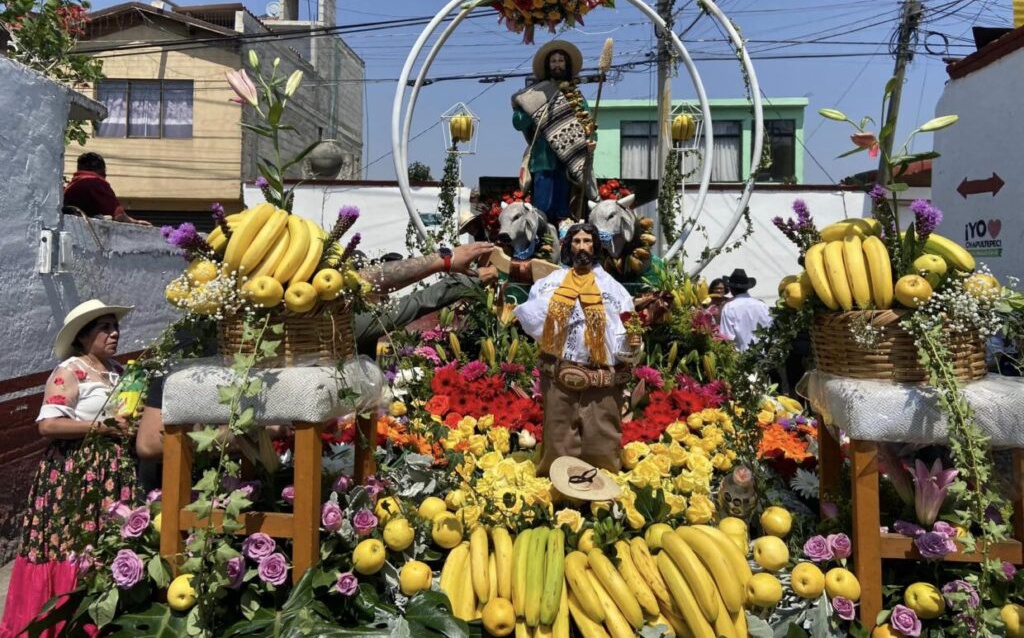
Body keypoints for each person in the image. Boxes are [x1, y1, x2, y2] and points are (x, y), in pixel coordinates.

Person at [135, 242, 498, 488]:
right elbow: (151, 444)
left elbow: (362, 286)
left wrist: (446, 263)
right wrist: (256, 434)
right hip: (191, 499)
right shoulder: (192, 340)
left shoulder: (298, 327)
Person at [1, 300, 137, 638]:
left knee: (104, 545)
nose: (114, 333)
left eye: (114, 326)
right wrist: (102, 427)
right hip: (75, 477)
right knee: (71, 547)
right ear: (82, 336)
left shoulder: (119, 372)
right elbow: (48, 426)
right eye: (104, 328)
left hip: (113, 475)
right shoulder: (70, 372)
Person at [514, 223, 641, 475]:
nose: (582, 247)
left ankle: (600, 500)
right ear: (568, 246)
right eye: (576, 242)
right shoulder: (550, 284)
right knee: (557, 444)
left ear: (595, 246)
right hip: (559, 378)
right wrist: (558, 308)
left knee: (601, 444)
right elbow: (531, 321)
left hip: (601, 382)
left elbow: (627, 331)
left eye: (587, 241)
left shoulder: (615, 290)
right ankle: (558, 499)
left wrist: (631, 343)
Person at [512, 40, 597, 226]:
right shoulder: (534, 94)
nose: (557, 64)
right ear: (547, 65)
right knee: (541, 210)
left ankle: (564, 244)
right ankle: (542, 245)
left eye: (560, 60)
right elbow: (518, 123)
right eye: (553, 61)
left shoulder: (575, 96)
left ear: (566, 64)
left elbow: (588, 125)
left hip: (567, 161)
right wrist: (531, 110)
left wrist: (591, 142)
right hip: (542, 160)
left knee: (564, 212)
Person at [63, 152, 151, 225]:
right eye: (105, 174)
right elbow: (119, 216)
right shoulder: (96, 182)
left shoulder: (70, 187)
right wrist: (137, 222)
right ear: (102, 170)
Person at [719, 268, 772, 352]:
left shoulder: (729, 307)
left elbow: (727, 338)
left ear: (731, 289)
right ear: (747, 288)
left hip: (741, 358)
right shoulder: (762, 305)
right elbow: (771, 330)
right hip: (763, 357)